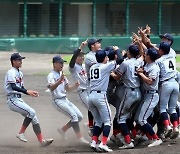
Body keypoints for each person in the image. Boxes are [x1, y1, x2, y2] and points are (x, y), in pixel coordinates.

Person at [4, 52, 53, 147]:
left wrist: (30, 92)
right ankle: (21, 133)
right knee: (32, 112)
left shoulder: (20, 73)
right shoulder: (10, 72)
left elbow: (21, 87)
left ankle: (41, 141)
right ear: (13, 61)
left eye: (21, 60)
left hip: (18, 99)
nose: (21, 61)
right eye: (19, 60)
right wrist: (27, 91)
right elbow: (13, 87)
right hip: (12, 100)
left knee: (34, 118)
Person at [47, 55, 89, 144]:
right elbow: (51, 88)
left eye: (62, 63)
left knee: (79, 117)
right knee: (74, 116)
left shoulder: (62, 74)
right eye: (60, 63)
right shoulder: (51, 75)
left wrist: (75, 86)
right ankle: (79, 137)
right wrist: (59, 81)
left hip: (65, 99)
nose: (62, 64)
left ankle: (63, 130)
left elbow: (68, 89)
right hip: (57, 101)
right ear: (54, 64)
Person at [89, 49, 116, 152]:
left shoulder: (92, 67)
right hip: (100, 97)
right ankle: (103, 143)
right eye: (106, 56)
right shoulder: (105, 67)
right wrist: (116, 51)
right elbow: (119, 60)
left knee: (99, 121)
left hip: (91, 96)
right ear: (105, 58)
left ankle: (94, 141)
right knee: (107, 122)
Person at [136, 48, 162, 147]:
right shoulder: (147, 65)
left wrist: (141, 73)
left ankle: (156, 139)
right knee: (138, 118)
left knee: (142, 119)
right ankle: (147, 137)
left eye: (146, 54)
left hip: (152, 95)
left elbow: (150, 81)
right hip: (146, 95)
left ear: (149, 57)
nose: (144, 55)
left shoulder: (154, 67)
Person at [69, 40, 94, 135]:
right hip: (82, 93)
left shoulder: (84, 66)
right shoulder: (73, 67)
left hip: (89, 91)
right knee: (93, 109)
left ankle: (89, 125)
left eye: (82, 55)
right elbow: (72, 60)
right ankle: (91, 129)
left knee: (93, 108)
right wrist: (80, 47)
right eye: (79, 56)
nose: (81, 57)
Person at [156, 42, 179, 139]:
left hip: (166, 85)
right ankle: (176, 127)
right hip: (175, 84)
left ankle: (167, 126)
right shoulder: (172, 58)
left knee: (162, 108)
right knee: (172, 109)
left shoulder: (159, 61)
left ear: (161, 50)